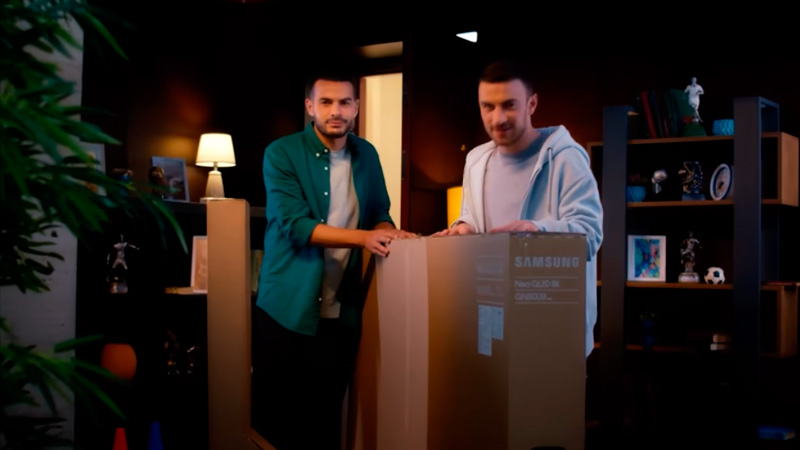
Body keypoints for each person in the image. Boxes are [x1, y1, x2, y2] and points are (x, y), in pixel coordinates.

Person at [252, 69, 415, 450]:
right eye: (325, 102)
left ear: (356, 107)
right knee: (276, 424)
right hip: (286, 309)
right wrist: (366, 238)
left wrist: (390, 232)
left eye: (344, 102)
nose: (335, 111)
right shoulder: (281, 153)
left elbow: (379, 212)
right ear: (310, 106)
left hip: (342, 314)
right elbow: (296, 226)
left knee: (324, 424)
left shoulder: (366, 154)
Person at [433, 60, 603, 358]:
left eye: (509, 105)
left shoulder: (566, 159)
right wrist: (464, 228)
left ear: (532, 104)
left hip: (552, 326)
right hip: (492, 322)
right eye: (488, 107)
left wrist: (536, 232)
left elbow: (590, 234)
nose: (497, 118)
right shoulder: (475, 161)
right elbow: (472, 216)